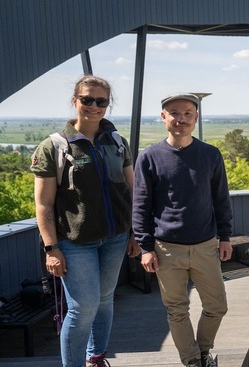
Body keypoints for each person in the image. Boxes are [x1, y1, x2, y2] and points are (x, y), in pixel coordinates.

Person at [30, 75, 140, 367]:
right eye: (87, 100)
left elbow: (133, 192)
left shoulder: (117, 142)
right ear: (75, 101)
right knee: (82, 307)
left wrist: (136, 233)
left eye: (100, 101)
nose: (93, 106)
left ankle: (97, 357)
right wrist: (51, 248)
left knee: (105, 299)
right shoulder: (54, 146)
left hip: (116, 236)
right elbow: (43, 204)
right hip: (74, 242)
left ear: (107, 105)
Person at [132, 93, 233, 367]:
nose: (181, 119)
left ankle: (201, 352)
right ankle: (193, 362)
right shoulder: (149, 157)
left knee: (217, 307)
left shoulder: (210, 154)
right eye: (174, 113)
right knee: (177, 311)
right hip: (166, 248)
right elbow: (140, 206)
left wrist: (225, 236)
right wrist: (145, 247)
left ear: (196, 118)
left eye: (188, 113)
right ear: (164, 117)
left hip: (205, 245)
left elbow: (221, 199)